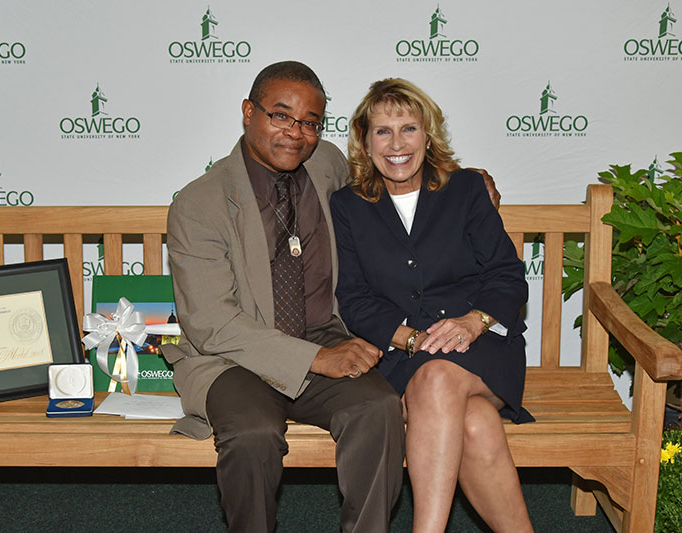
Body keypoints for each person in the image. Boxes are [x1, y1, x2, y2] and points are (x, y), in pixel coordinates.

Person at [162, 61, 406, 533]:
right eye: (281, 116)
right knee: (253, 433)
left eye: (311, 122)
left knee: (378, 408)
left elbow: (393, 183)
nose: (296, 133)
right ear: (248, 112)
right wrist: (316, 359)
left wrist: (459, 183)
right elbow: (213, 324)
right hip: (233, 359)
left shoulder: (328, 164)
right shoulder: (200, 203)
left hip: (323, 336)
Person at [330, 78, 534, 532]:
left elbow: (507, 276)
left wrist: (473, 322)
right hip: (402, 357)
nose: (397, 143)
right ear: (365, 140)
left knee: (439, 375)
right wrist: (412, 338)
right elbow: (355, 300)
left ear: (429, 135)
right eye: (383, 131)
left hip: (481, 349)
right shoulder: (348, 206)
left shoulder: (465, 190)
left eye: (409, 128)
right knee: (476, 422)